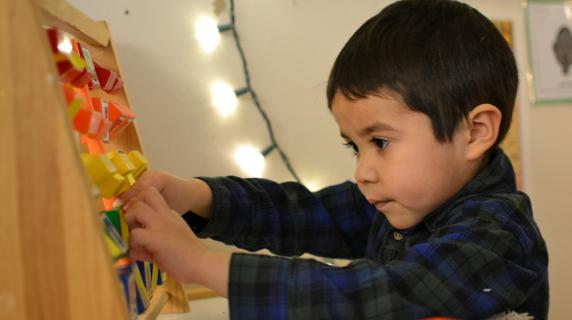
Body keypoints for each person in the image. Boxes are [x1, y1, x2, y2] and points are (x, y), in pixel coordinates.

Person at [119, 0, 549, 318]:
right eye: (354, 147)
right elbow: (301, 212)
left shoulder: (498, 236)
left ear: (474, 132)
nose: (362, 171)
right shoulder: (403, 202)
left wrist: (202, 264)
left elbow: (379, 295)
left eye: (380, 142)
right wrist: (197, 195)